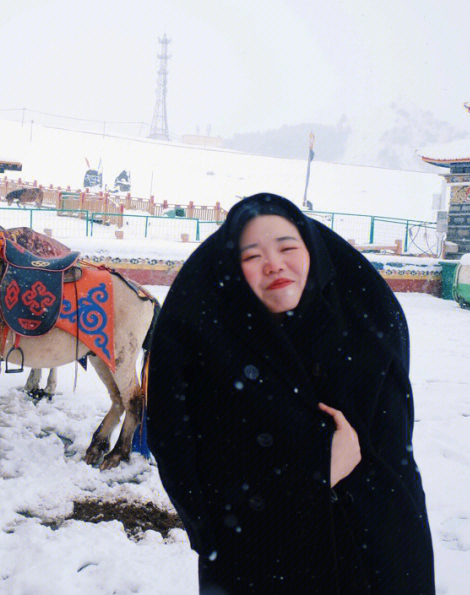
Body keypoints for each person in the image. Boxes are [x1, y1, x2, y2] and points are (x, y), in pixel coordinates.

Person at [147, 193, 434, 594]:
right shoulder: (208, 360)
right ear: (232, 268)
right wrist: (319, 474)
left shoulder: (362, 332)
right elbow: (206, 486)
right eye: (251, 256)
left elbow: (393, 482)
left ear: (312, 250)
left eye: (287, 247)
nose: (274, 264)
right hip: (262, 568)